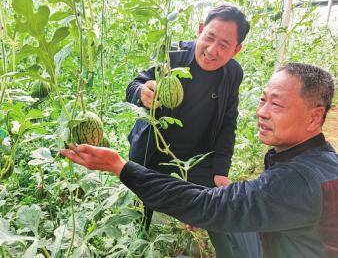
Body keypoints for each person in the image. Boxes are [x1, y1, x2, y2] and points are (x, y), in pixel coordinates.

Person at [61, 63, 338, 258]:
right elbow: (234, 205)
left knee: (212, 212)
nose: (261, 112)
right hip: (294, 244)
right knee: (219, 216)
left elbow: (208, 205)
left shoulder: (298, 181)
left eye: (276, 105)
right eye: (262, 100)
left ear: (314, 117)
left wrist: (119, 166)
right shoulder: (320, 161)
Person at [126, 4, 260, 258]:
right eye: (209, 37)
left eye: (224, 45)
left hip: (195, 162)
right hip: (153, 151)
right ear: (200, 30)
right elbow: (134, 84)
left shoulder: (233, 73)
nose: (212, 50)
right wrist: (141, 92)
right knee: (143, 214)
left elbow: (227, 122)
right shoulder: (171, 53)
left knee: (195, 221)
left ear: (237, 49)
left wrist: (221, 170)